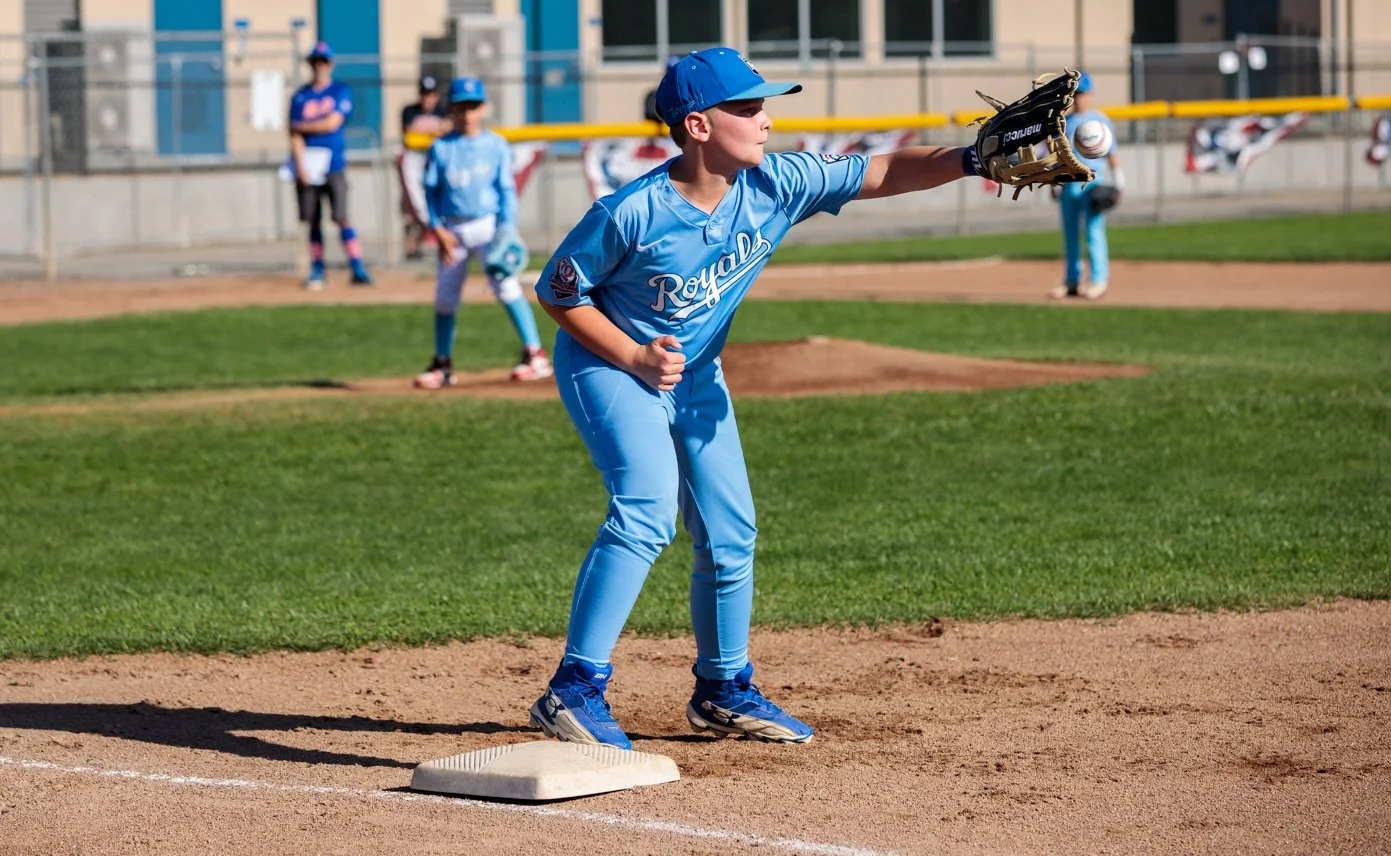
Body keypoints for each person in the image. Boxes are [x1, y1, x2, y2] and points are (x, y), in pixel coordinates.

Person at [528, 47, 995, 750]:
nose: (766, 120)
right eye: (746, 108)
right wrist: (630, 354)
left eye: (764, 104)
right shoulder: (632, 212)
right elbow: (559, 289)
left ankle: (721, 690)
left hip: (695, 375)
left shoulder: (779, 183)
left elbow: (883, 169)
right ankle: (573, 689)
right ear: (697, 126)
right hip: (610, 364)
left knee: (730, 529)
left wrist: (973, 158)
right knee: (647, 510)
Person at [412, 77, 553, 389]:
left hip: (488, 225)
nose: (467, 113)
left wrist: (506, 230)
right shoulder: (442, 147)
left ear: (484, 108)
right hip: (452, 228)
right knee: (445, 297)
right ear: (450, 108)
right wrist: (437, 229)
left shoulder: (495, 144)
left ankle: (535, 355)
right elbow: (430, 193)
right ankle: (442, 363)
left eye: (473, 106)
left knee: (506, 286)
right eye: (461, 106)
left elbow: (506, 191)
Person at [289, 41, 373, 289]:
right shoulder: (300, 96)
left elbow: (331, 123)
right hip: (307, 165)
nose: (319, 66)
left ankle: (356, 266)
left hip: (334, 164)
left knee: (342, 216)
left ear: (331, 64)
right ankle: (317, 268)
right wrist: (299, 167)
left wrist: (303, 126)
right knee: (313, 219)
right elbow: (293, 135)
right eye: (316, 62)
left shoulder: (340, 91)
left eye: (323, 61)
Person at [1048, 72, 1125, 301]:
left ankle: (1098, 280)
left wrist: (1119, 179)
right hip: (1068, 182)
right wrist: (1053, 181)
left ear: (1090, 95)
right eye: (1076, 94)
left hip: (1092, 181)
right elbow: (1057, 155)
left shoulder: (1099, 119)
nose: (1080, 98)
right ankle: (1072, 280)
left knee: (1093, 231)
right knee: (1070, 234)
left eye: (1083, 93)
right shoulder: (1064, 122)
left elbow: (1111, 152)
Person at [397, 75, 449, 259]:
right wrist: (436, 131)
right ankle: (412, 249)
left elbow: (449, 129)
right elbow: (408, 132)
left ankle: (441, 244)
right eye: (424, 94)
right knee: (411, 209)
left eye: (431, 94)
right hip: (414, 167)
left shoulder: (443, 111)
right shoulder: (410, 111)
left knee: (438, 205)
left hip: (434, 166)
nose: (428, 98)